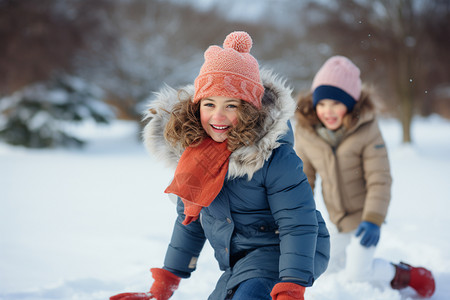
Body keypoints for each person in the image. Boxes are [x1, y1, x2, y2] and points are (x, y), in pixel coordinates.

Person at [109, 31, 330, 300]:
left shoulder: (275, 158)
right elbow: (189, 222)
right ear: (196, 107)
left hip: (284, 251)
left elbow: (298, 223)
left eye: (231, 106)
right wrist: (163, 285)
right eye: (209, 104)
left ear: (249, 109)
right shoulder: (194, 157)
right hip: (240, 261)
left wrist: (292, 285)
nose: (218, 116)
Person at [294, 55, 436, 298]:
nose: (328, 111)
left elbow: (379, 179)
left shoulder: (366, 130)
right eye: (322, 103)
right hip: (337, 219)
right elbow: (302, 179)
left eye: (336, 104)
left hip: (364, 219)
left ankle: (409, 275)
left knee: (358, 272)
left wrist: (373, 219)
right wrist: (295, 217)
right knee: (325, 266)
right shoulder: (307, 133)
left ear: (350, 104)